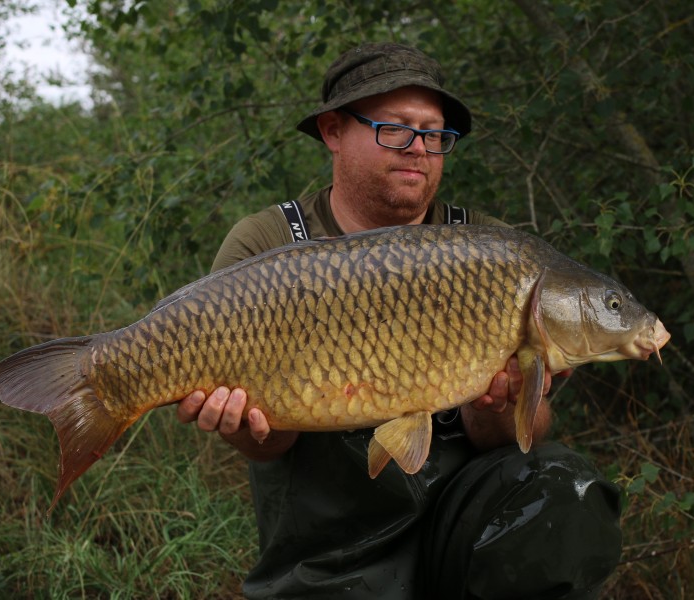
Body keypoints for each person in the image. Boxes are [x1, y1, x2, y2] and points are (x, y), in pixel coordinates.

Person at [176, 43, 622, 599]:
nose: (419, 150)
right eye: (396, 129)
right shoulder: (265, 245)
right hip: (327, 553)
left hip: (468, 524)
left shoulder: (487, 248)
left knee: (565, 486)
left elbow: (507, 441)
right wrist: (249, 428)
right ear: (333, 131)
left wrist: (505, 407)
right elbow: (269, 446)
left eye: (434, 135)